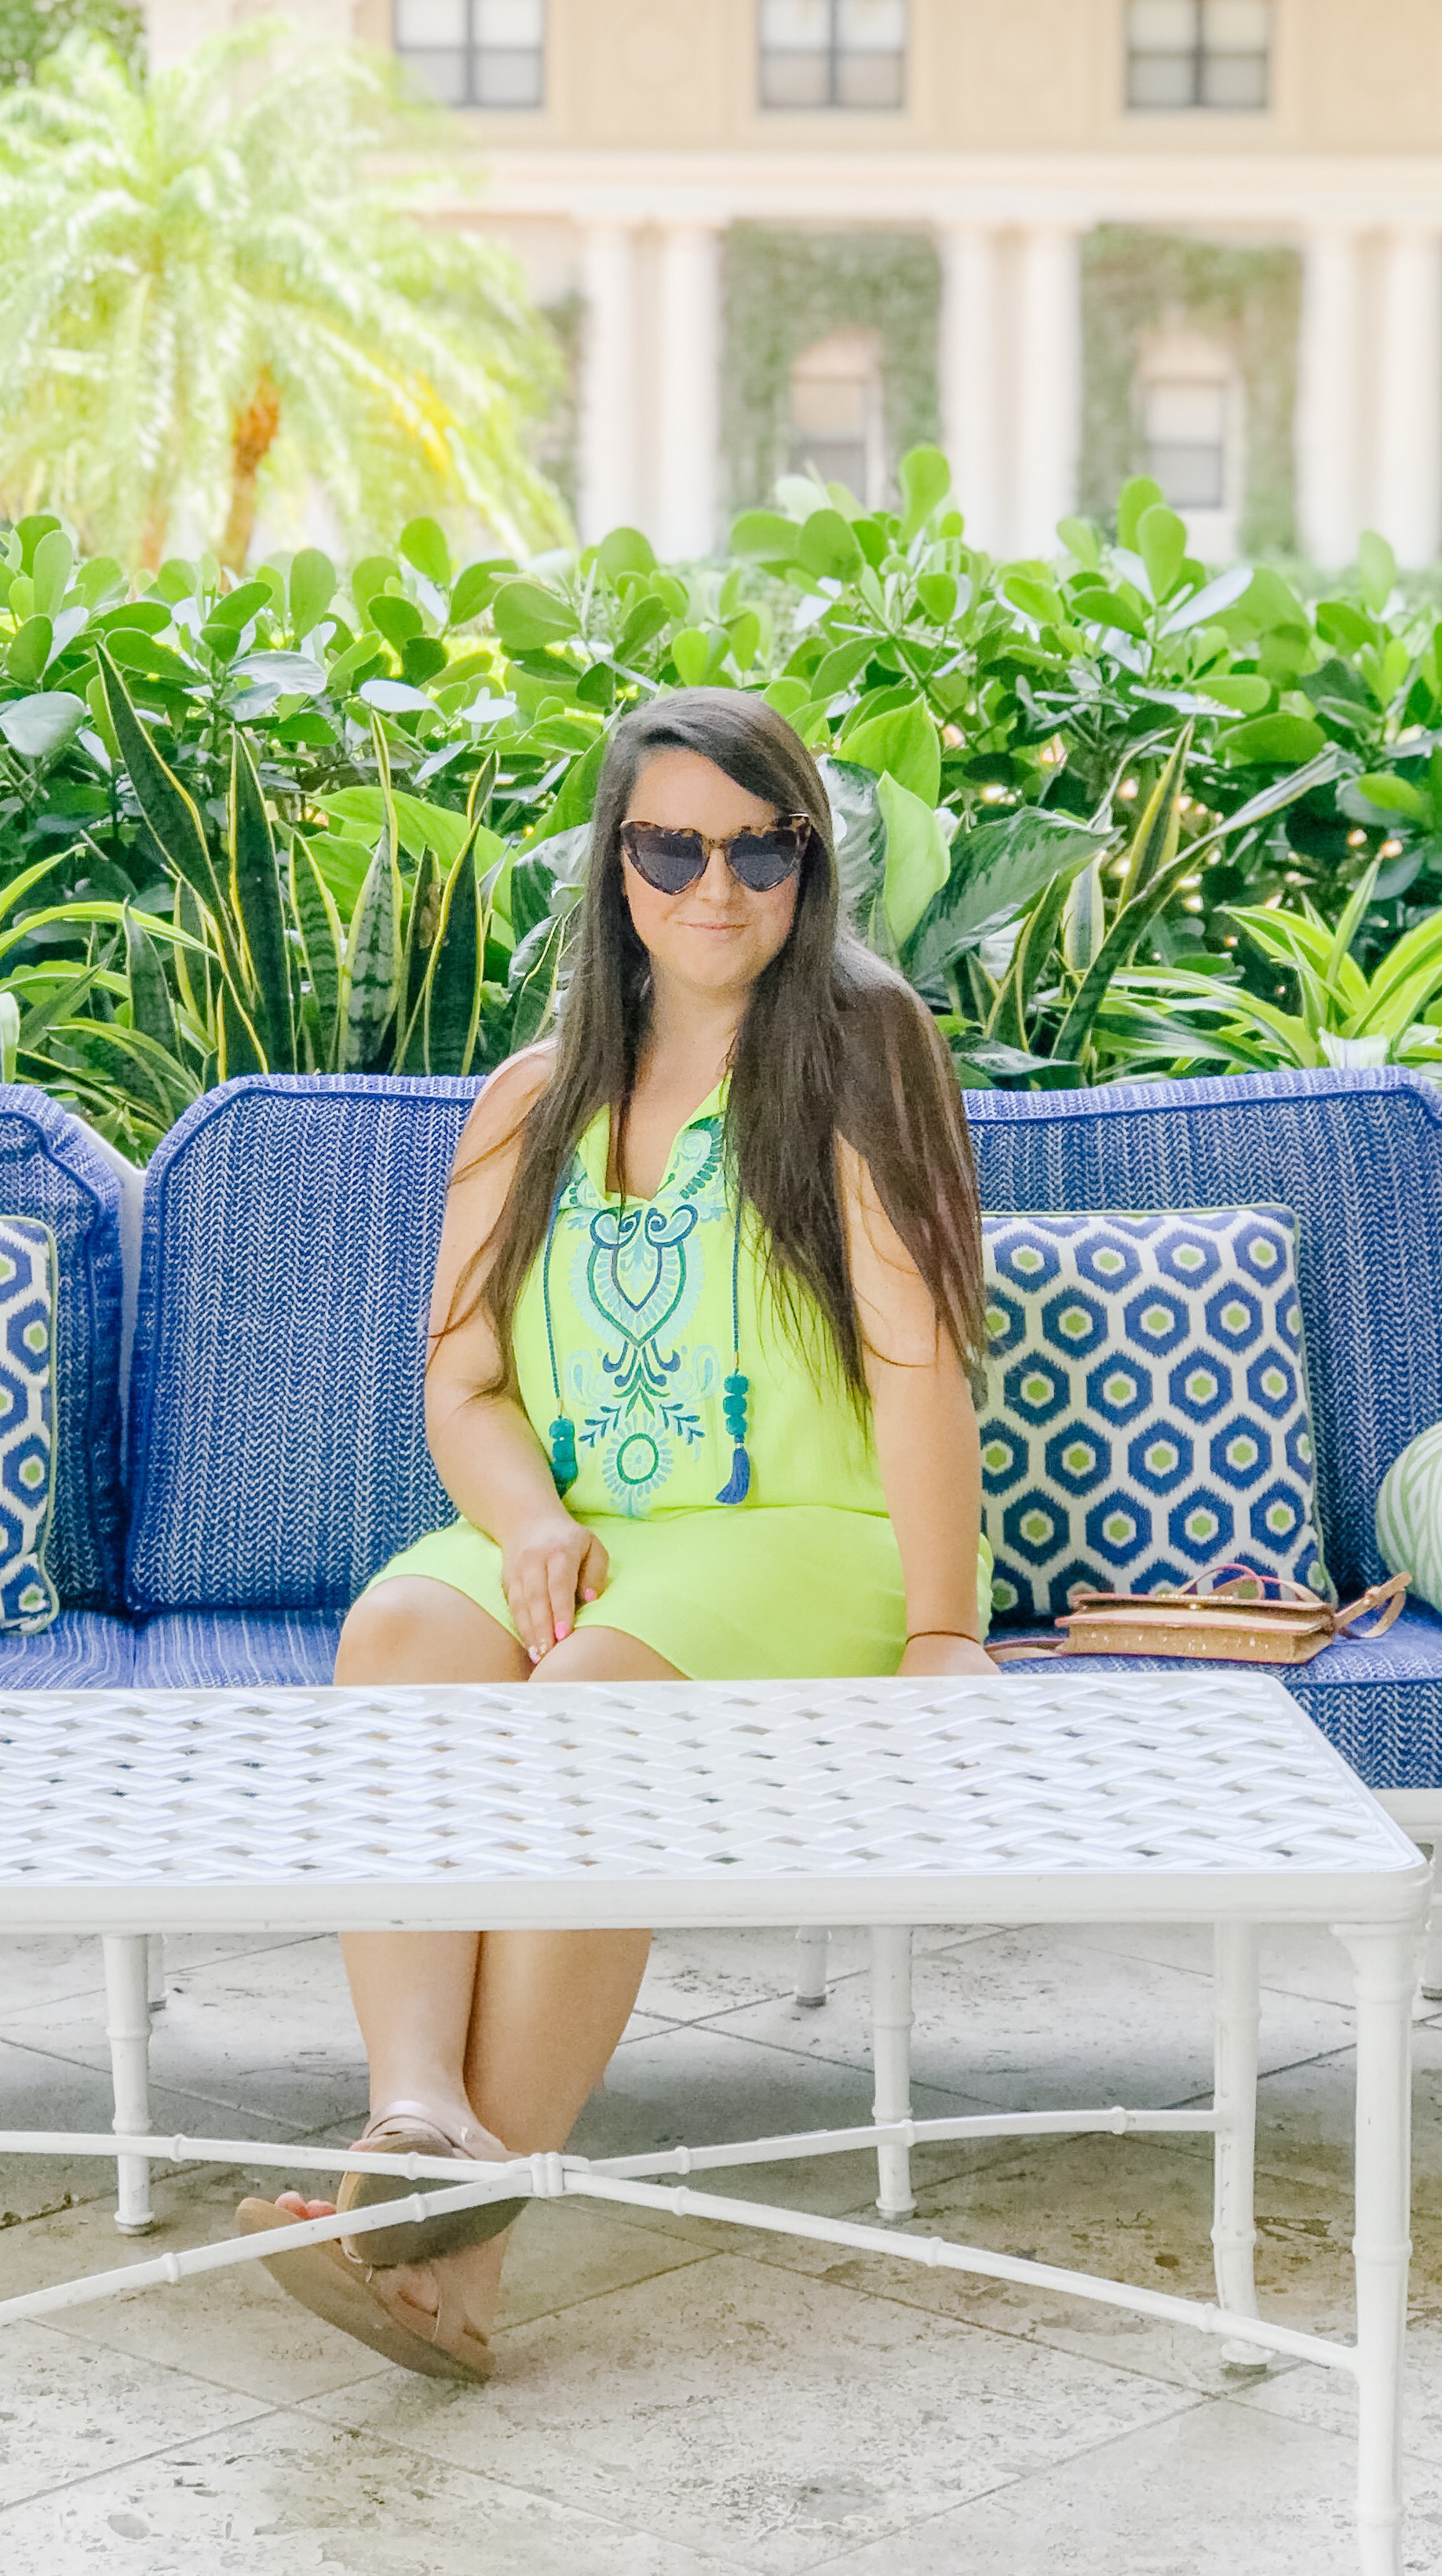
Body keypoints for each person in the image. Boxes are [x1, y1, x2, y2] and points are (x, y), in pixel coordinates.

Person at [239, 686, 994, 2381]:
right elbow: (462, 1385)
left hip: (806, 1531)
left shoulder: (861, 1052)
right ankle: (415, 2119)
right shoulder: (529, 1099)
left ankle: (456, 2246)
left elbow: (919, 1362)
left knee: (586, 1708)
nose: (715, 887)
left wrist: (945, 1633)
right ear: (615, 867)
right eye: (671, 849)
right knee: (399, 1635)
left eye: (757, 851)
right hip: (586, 1531)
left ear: (805, 864)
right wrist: (523, 1523)